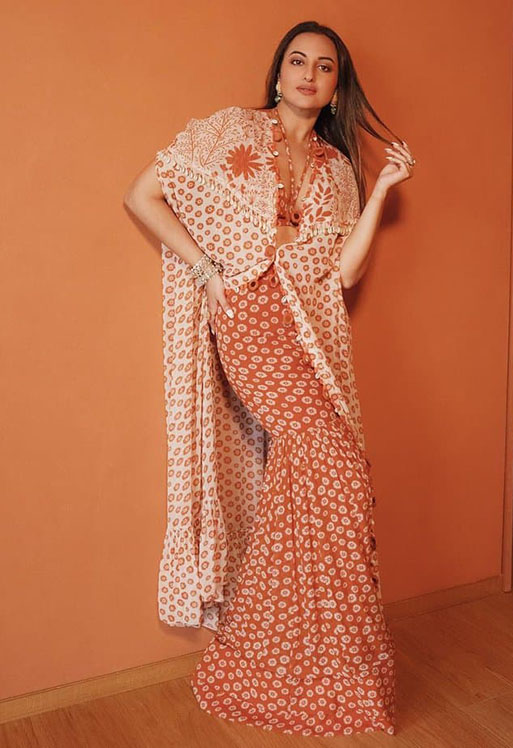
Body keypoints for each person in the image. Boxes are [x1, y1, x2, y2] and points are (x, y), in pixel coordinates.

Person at [124, 19, 415, 738]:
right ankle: (284, 655)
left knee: (316, 483)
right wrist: (205, 272)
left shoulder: (337, 169)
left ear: (337, 86)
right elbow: (142, 194)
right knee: (331, 470)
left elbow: (343, 274)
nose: (309, 74)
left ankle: (300, 659)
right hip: (250, 321)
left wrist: (382, 189)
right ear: (279, 73)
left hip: (311, 330)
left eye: (324, 66)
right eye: (297, 60)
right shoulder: (230, 133)